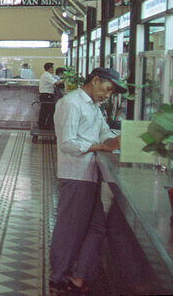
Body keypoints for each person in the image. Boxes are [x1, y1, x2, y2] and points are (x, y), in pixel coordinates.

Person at [50, 67, 125, 293]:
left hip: (89, 175)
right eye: (107, 89)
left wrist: (120, 139)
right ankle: (58, 276)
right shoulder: (71, 104)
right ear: (94, 81)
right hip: (75, 174)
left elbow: (104, 133)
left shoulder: (94, 107)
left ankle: (80, 276)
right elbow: (67, 143)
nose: (108, 95)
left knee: (97, 228)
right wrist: (99, 146)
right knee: (70, 229)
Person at [38, 62, 59, 130]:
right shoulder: (47, 75)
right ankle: (45, 127)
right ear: (49, 68)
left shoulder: (47, 75)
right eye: (53, 68)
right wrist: (66, 78)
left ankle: (44, 126)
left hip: (46, 95)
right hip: (46, 96)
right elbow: (56, 83)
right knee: (48, 112)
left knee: (46, 112)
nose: (53, 69)